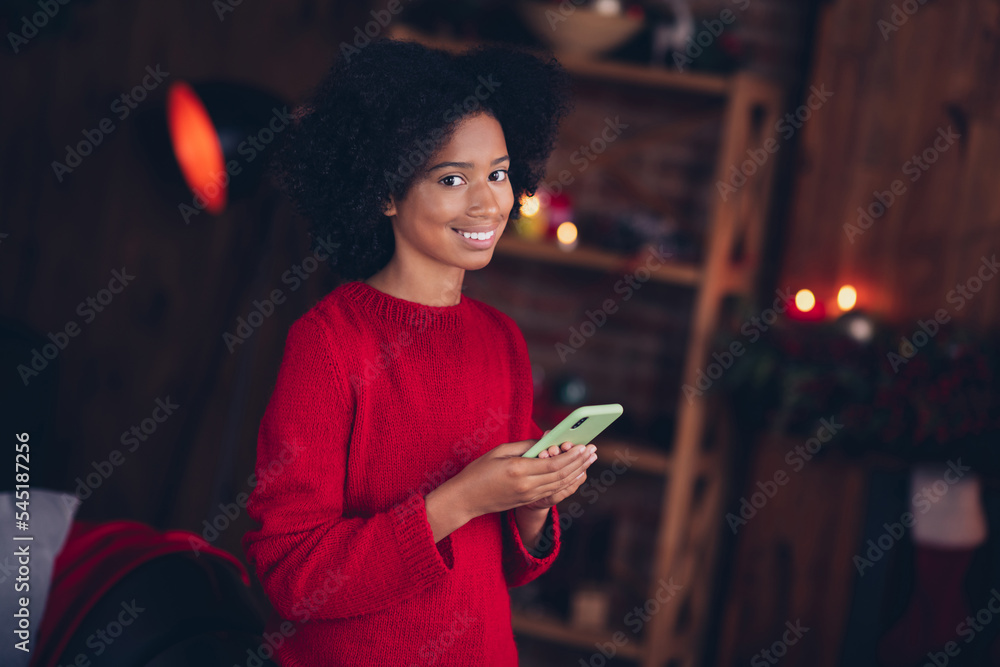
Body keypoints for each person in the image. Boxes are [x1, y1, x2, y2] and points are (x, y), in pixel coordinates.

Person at [241, 37, 599, 666]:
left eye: (499, 172)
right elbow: (292, 576)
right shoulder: (329, 342)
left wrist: (534, 503)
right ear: (384, 192)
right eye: (452, 178)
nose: (488, 202)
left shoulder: (501, 341)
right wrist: (462, 499)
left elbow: (503, 571)